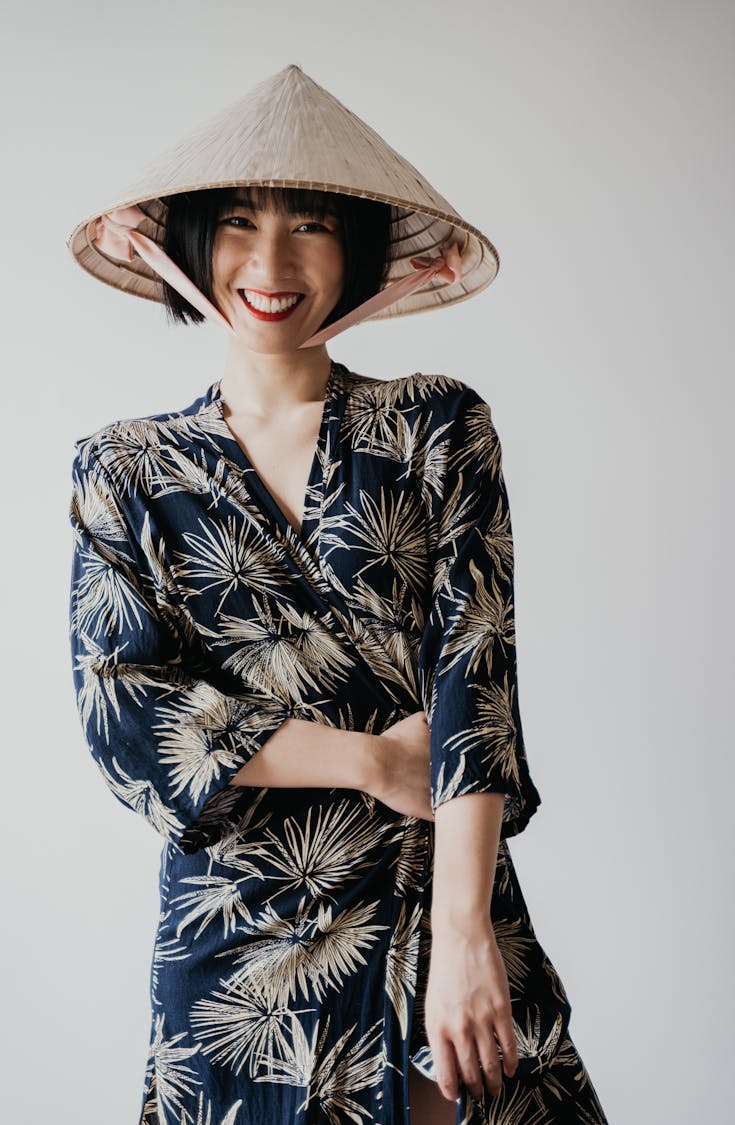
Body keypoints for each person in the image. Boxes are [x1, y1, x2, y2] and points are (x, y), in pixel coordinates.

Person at [66, 64, 609, 1125]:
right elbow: (127, 719)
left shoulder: (437, 426)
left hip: (427, 897)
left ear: (356, 250)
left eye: (312, 226)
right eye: (233, 223)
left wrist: (465, 939)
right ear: (185, 244)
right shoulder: (122, 468)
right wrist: (371, 759)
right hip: (235, 941)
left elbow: (475, 683)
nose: (270, 263)